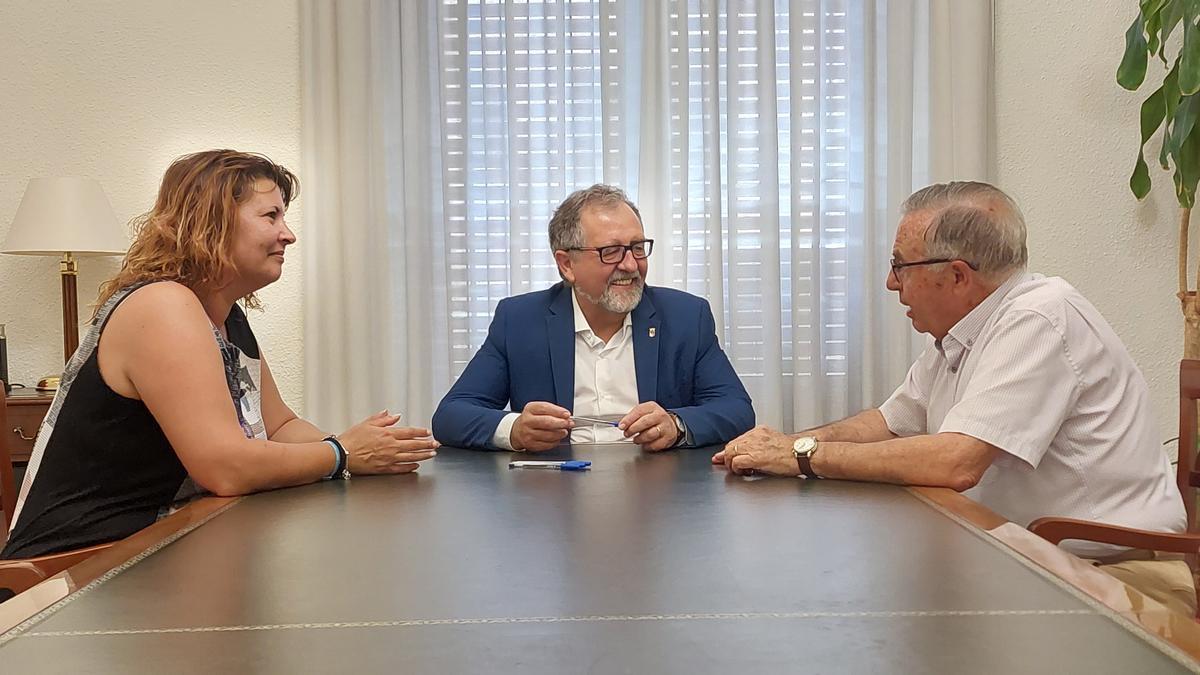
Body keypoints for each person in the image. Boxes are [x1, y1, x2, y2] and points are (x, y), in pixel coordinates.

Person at [713, 181, 1194, 614]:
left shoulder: (1039, 318)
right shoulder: (959, 332)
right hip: (1028, 555)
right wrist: (783, 444)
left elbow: (957, 463)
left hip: (1113, 571)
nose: (890, 283)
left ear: (959, 276)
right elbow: (889, 422)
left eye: (900, 265)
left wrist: (799, 456)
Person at [2, 150, 438, 560]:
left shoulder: (227, 317)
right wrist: (342, 452)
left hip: (162, 547)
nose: (288, 234)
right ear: (212, 224)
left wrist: (367, 455)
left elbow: (279, 425)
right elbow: (223, 466)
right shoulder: (161, 306)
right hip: (79, 571)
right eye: (271, 216)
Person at [433, 184, 754, 452]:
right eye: (611, 252)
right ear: (567, 265)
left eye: (637, 248)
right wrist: (514, 429)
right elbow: (451, 416)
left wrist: (676, 423)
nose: (630, 265)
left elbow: (736, 410)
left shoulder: (685, 317)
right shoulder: (519, 320)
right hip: (554, 499)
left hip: (658, 498)